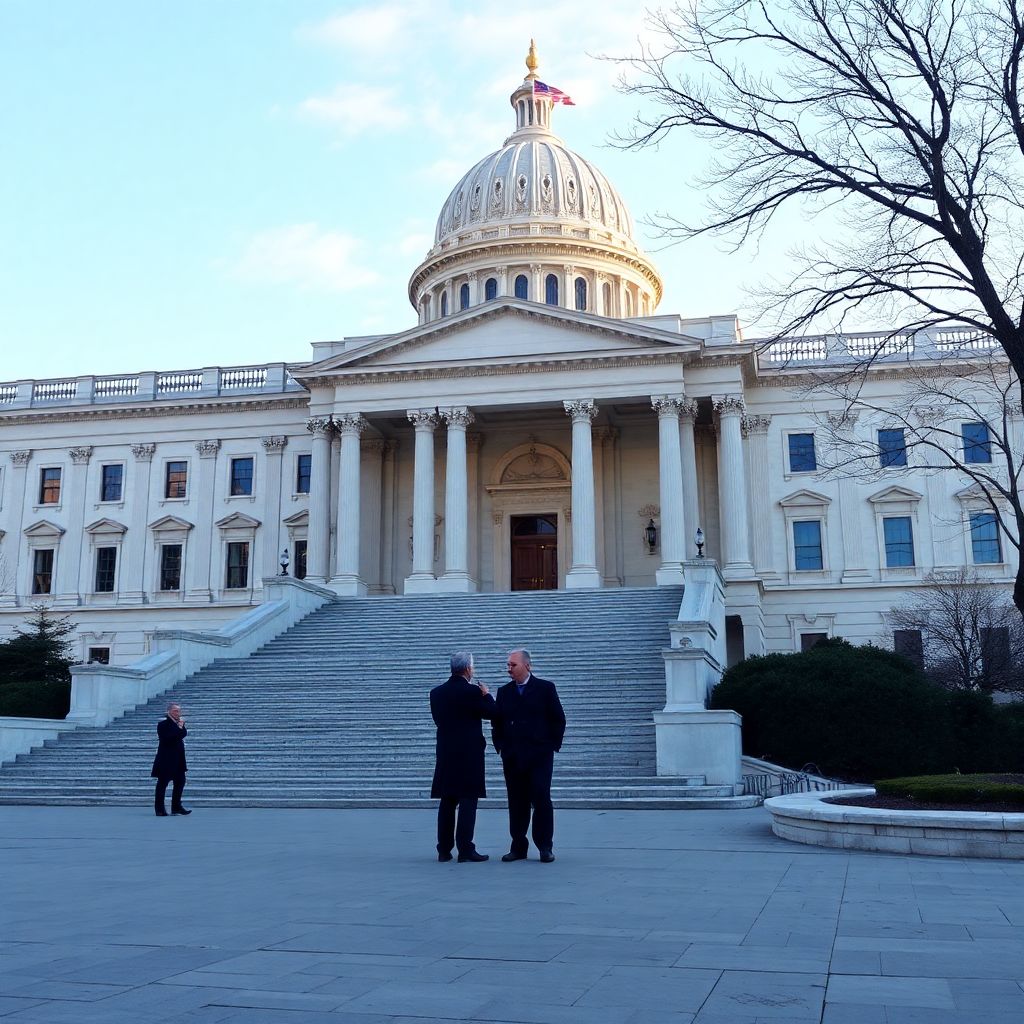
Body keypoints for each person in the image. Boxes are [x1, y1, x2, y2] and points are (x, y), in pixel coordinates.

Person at [492, 648, 566, 863]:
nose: (509, 669)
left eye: (513, 665)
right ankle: (518, 846)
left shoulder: (545, 688)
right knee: (516, 801)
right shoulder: (504, 691)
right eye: (508, 665)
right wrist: (501, 747)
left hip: (539, 755)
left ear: (527, 665)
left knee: (541, 798)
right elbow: (497, 722)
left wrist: (551, 745)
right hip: (513, 756)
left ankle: (545, 846)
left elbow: (558, 719)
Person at [429, 652, 496, 862]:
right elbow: (492, 712)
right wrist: (486, 694)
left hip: (446, 752)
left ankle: (444, 849)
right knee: (468, 799)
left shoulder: (436, 693)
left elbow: (438, 720)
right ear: (468, 669)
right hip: (469, 753)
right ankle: (465, 848)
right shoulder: (473, 692)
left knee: (447, 800)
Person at [151, 702, 190, 816]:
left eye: (179, 711)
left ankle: (176, 806)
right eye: (175, 711)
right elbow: (169, 738)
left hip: (178, 760)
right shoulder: (163, 724)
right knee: (162, 784)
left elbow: (183, 734)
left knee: (180, 782)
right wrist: (179, 728)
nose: (178, 713)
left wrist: (180, 727)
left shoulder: (179, 724)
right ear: (169, 712)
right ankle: (159, 809)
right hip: (166, 760)